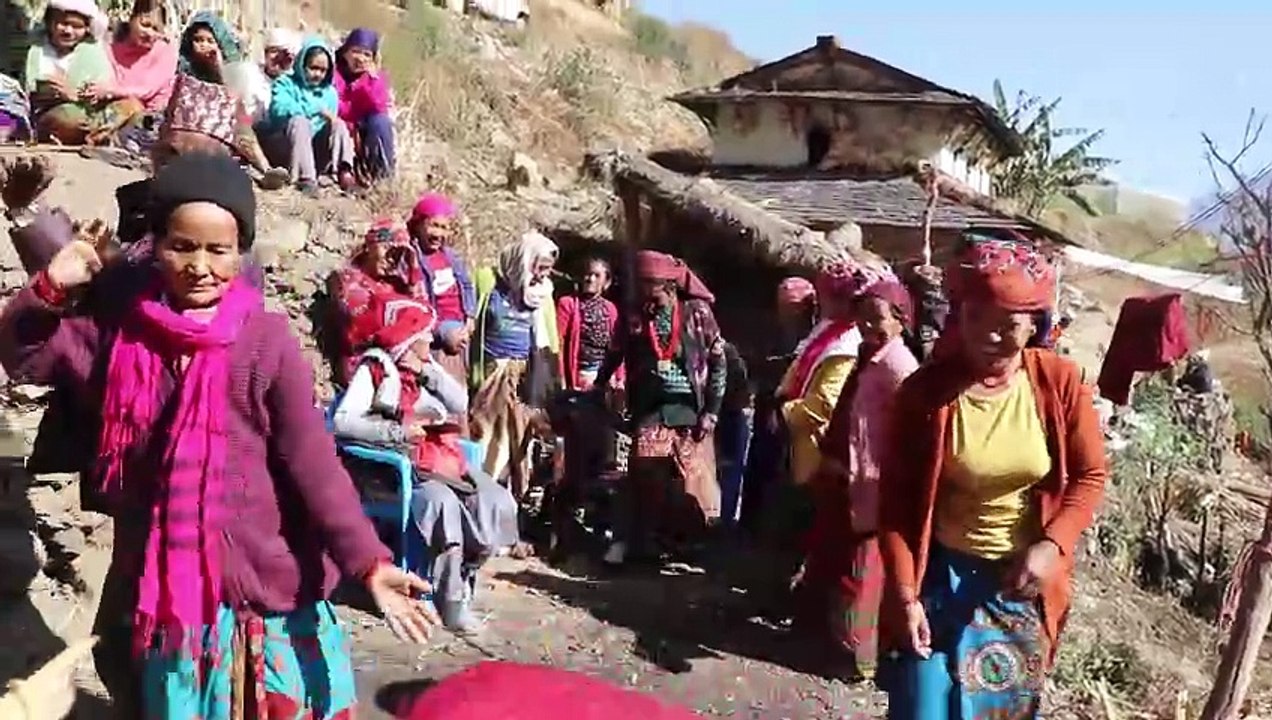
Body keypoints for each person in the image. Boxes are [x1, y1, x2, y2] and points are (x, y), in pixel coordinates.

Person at [0, 153, 437, 718]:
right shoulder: (119, 339)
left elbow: (314, 465)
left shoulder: (264, 342)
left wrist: (369, 564)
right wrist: (53, 287)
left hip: (267, 593)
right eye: (182, 246)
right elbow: (25, 354)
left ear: (241, 253)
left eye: (218, 250)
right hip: (171, 606)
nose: (199, 266)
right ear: (155, 245)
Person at [877, 240, 1108, 717]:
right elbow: (896, 503)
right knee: (923, 708)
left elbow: (1090, 474)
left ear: (1034, 326)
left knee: (996, 710)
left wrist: (1052, 545)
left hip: (1014, 586)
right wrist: (905, 594)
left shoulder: (1059, 384)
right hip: (939, 579)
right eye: (975, 319)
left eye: (1007, 325)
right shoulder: (925, 394)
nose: (988, 336)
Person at [333, 293, 523, 633]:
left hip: (443, 459)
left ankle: (464, 575)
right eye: (424, 335)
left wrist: (428, 375)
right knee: (442, 504)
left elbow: (459, 401)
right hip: (399, 467)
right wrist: (397, 431)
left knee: (494, 499)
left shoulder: (425, 366)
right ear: (408, 336)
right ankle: (449, 601)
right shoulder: (376, 368)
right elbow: (344, 421)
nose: (430, 340)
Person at [799, 276, 919, 682]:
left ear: (902, 320)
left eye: (879, 319)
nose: (869, 326)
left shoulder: (899, 366)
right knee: (829, 555)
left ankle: (855, 657)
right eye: (863, 318)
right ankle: (821, 636)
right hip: (842, 476)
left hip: (870, 484)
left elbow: (909, 431)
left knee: (860, 571)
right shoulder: (867, 356)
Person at [598, 250, 725, 567]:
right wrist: (600, 385)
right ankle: (636, 542)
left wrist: (711, 411)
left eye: (647, 286)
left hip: (690, 408)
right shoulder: (635, 316)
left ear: (666, 285)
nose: (642, 293)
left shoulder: (697, 313)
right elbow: (615, 352)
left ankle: (686, 543)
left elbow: (718, 361)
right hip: (651, 407)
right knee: (644, 471)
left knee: (691, 481)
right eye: (639, 286)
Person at [471, 231, 560, 496]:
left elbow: (549, 339)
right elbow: (474, 324)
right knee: (485, 437)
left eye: (548, 270)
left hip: (523, 378)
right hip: (491, 374)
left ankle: (511, 503)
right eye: (539, 267)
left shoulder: (542, 295)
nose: (543, 275)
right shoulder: (488, 284)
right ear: (523, 261)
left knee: (518, 441)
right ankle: (482, 496)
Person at [739, 276, 815, 538]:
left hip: (794, 408)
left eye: (794, 306)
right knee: (760, 463)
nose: (789, 312)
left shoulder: (814, 336)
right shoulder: (773, 332)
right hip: (768, 403)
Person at [175, 12, 287, 188]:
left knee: (241, 118)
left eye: (210, 41)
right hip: (190, 120)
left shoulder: (230, 69)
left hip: (221, 121)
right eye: (198, 40)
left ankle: (265, 169)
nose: (203, 45)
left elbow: (230, 95)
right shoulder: (183, 66)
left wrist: (218, 67)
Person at [24, 0, 140, 145]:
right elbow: (29, 91)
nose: (68, 31)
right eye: (63, 24)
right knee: (69, 116)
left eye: (76, 26)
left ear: (87, 28)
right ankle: (96, 137)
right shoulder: (36, 50)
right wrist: (56, 93)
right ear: (50, 22)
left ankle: (94, 136)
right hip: (52, 114)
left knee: (131, 105)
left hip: (89, 112)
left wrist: (95, 92)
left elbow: (103, 87)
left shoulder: (92, 51)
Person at [332, 220, 428, 383]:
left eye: (398, 255)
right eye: (387, 250)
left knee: (456, 400)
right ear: (370, 246)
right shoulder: (347, 279)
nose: (391, 260)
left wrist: (413, 267)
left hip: (403, 368)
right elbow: (369, 326)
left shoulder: (395, 283)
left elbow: (425, 311)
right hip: (364, 369)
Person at [264, 36, 357, 195]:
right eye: (313, 68)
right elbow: (279, 109)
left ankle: (344, 173)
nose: (318, 75)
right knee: (300, 122)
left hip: (315, 149)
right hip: (286, 145)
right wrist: (314, 109)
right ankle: (305, 178)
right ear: (302, 64)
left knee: (338, 125)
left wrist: (331, 121)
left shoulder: (329, 93)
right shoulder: (285, 83)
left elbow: (329, 124)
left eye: (323, 70)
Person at [407, 193, 476, 384]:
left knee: (459, 383)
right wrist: (443, 333)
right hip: (436, 332)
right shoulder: (412, 259)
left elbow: (467, 285)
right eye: (434, 226)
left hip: (460, 329)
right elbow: (416, 305)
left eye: (444, 228)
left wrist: (470, 318)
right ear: (419, 225)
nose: (439, 234)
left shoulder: (451, 257)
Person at [335, 28, 395, 181]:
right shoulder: (333, 73)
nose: (360, 59)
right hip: (338, 130)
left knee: (380, 122)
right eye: (356, 51)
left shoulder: (377, 78)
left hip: (365, 133)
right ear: (345, 52)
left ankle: (383, 177)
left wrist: (370, 81)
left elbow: (378, 106)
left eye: (367, 54)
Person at [556, 256, 621, 392]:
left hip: (606, 375)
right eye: (588, 274)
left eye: (597, 276)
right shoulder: (568, 304)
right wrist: (560, 376)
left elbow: (617, 346)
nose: (590, 279)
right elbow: (559, 344)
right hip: (580, 374)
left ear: (607, 282)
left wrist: (620, 378)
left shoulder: (610, 309)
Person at [104, 0, 178, 116]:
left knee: (131, 105)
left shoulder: (165, 51)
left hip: (151, 118)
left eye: (156, 29)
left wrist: (110, 91)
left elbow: (146, 90)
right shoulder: (110, 50)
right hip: (112, 109)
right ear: (132, 20)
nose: (150, 33)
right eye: (145, 25)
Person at [242, 27, 301, 125]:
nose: (278, 58)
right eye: (274, 51)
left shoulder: (294, 82)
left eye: (282, 53)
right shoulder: (250, 75)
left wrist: (286, 70)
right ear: (265, 53)